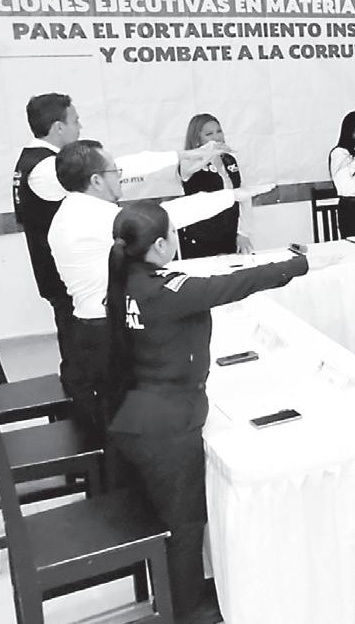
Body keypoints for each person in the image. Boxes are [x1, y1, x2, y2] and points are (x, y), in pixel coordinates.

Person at [105, 200, 329, 622]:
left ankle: (175, 592)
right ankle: (188, 610)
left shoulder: (125, 281)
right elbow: (235, 284)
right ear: (159, 246)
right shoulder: (166, 291)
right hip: (167, 426)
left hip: (134, 413)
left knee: (167, 515)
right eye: (173, 233)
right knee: (184, 523)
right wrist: (299, 265)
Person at [49, 140, 254, 442]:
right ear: (96, 181)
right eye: (115, 171)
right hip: (105, 333)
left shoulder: (70, 211)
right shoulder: (96, 218)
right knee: (125, 422)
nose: (120, 176)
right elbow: (163, 217)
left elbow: (143, 173)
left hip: (88, 329)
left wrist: (184, 159)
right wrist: (231, 196)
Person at [12, 93, 81, 393]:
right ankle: (82, 406)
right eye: (75, 121)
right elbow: (95, 175)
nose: (80, 127)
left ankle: (80, 399)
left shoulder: (31, 161)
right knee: (78, 346)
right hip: (63, 272)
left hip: (57, 269)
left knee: (74, 341)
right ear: (58, 127)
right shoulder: (46, 167)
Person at [178, 114, 254, 258]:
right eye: (209, 134)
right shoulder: (187, 162)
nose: (217, 137)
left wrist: (243, 232)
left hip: (229, 236)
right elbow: (187, 170)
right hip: (200, 240)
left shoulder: (229, 160)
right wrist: (208, 152)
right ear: (197, 138)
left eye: (219, 131)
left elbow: (243, 196)